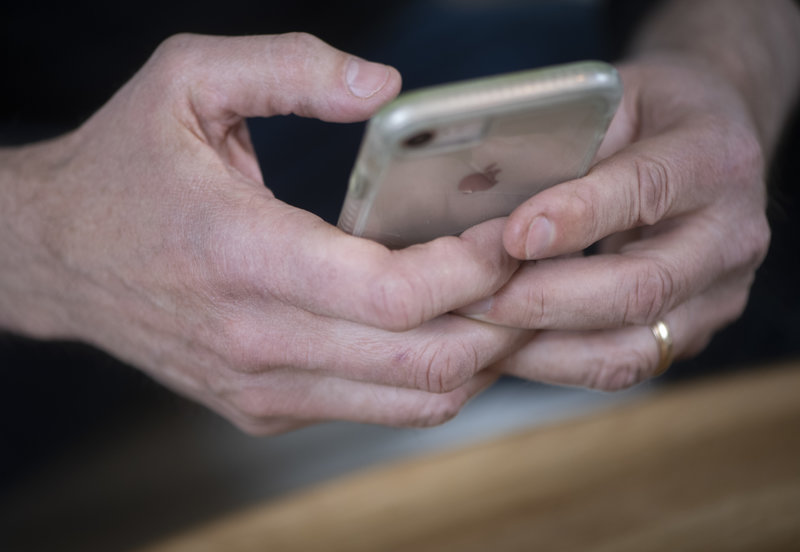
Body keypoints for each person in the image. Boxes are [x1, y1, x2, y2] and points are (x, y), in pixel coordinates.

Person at [1, 0, 798, 437]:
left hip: (374, 62)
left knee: (694, 167)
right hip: (33, 181)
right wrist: (50, 237)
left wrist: (725, 64)